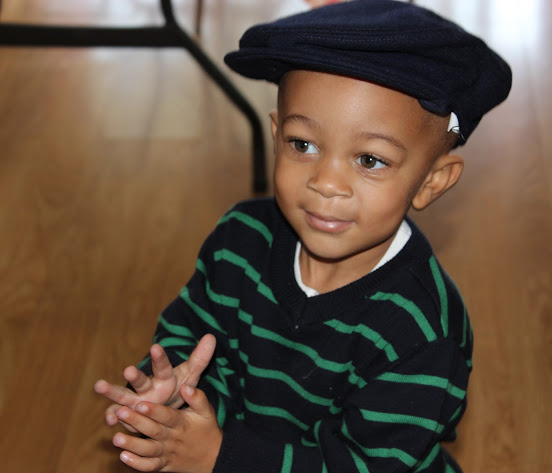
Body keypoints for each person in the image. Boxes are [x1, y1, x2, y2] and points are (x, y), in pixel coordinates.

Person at [95, 1, 511, 471]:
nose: (326, 183)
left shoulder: (424, 331)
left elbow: (366, 465)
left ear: (432, 181)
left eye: (370, 160)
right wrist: (171, 393)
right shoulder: (240, 239)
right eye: (303, 144)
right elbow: (191, 332)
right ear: (277, 135)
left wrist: (220, 455)